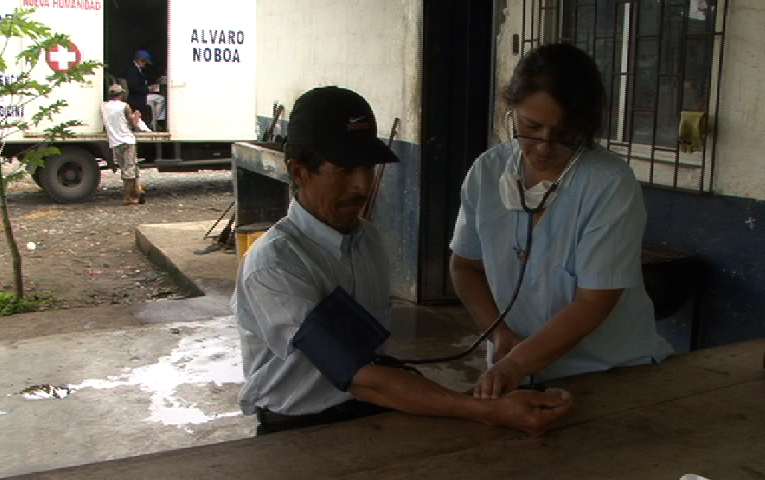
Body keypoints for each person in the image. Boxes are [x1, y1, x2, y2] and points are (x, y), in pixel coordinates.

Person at [233, 85, 573, 437]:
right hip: (299, 430)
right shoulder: (275, 264)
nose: (362, 185)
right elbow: (359, 374)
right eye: (345, 171)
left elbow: (371, 364)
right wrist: (487, 410)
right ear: (300, 172)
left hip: (367, 412)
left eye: (367, 168)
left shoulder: (368, 240)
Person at [449, 43, 674, 401]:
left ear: (586, 127)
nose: (544, 146)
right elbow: (465, 266)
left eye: (565, 133)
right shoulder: (487, 171)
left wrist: (516, 365)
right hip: (516, 371)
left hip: (608, 371)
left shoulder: (609, 183)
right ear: (511, 110)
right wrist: (498, 332)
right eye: (531, 127)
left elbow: (593, 302)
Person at [100, 83, 146, 205]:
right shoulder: (124, 106)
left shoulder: (104, 106)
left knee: (125, 168)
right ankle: (130, 197)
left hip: (115, 142)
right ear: (121, 94)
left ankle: (137, 190)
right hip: (127, 140)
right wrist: (137, 117)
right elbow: (132, 124)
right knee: (130, 168)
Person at [123, 49, 157, 123]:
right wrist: (148, 89)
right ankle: (156, 121)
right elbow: (133, 87)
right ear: (141, 60)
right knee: (161, 99)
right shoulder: (132, 70)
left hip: (138, 95)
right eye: (145, 62)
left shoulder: (136, 69)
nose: (145, 65)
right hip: (137, 97)